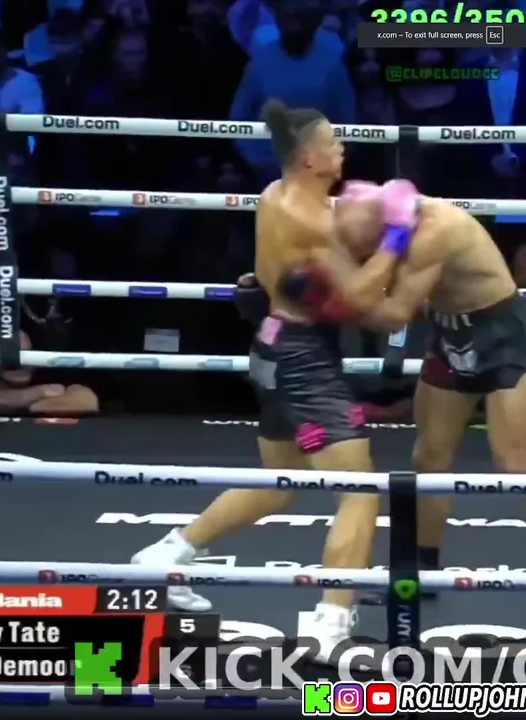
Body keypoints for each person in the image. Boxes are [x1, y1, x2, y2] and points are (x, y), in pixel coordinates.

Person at [130, 99, 417, 656]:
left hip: (272, 348)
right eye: (332, 142)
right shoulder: (317, 224)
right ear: (309, 158)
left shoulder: (273, 195)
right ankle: (330, 624)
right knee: (360, 492)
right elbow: (366, 298)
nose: (342, 149)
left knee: (283, 480)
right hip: (304, 362)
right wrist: (398, 237)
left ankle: (166, 556)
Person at [331, 188, 526, 582]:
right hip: (449, 333)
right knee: (429, 457)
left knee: (512, 459)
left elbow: (394, 314)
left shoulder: (435, 230)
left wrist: (334, 297)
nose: (366, 254)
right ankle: (424, 568)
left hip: (500, 336)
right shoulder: (389, 224)